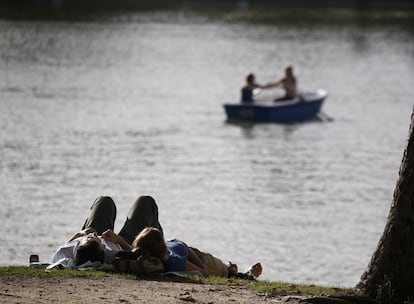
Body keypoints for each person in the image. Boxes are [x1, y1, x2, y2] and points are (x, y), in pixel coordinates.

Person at [49, 195, 163, 268]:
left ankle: (88, 237)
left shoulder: (66, 251)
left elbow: (57, 255)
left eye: (91, 237)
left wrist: (80, 234)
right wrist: (119, 240)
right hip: (127, 244)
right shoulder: (111, 254)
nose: (95, 236)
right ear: (103, 248)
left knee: (104, 201)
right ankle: (163, 251)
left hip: (94, 236)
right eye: (98, 240)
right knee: (145, 202)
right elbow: (134, 254)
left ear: (77, 246)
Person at [132, 227, 263, 279]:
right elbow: (203, 272)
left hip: (194, 252)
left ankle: (234, 269)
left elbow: (137, 250)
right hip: (204, 261)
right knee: (226, 269)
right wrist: (185, 247)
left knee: (227, 266)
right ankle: (242, 273)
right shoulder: (173, 260)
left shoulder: (147, 250)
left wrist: (119, 240)